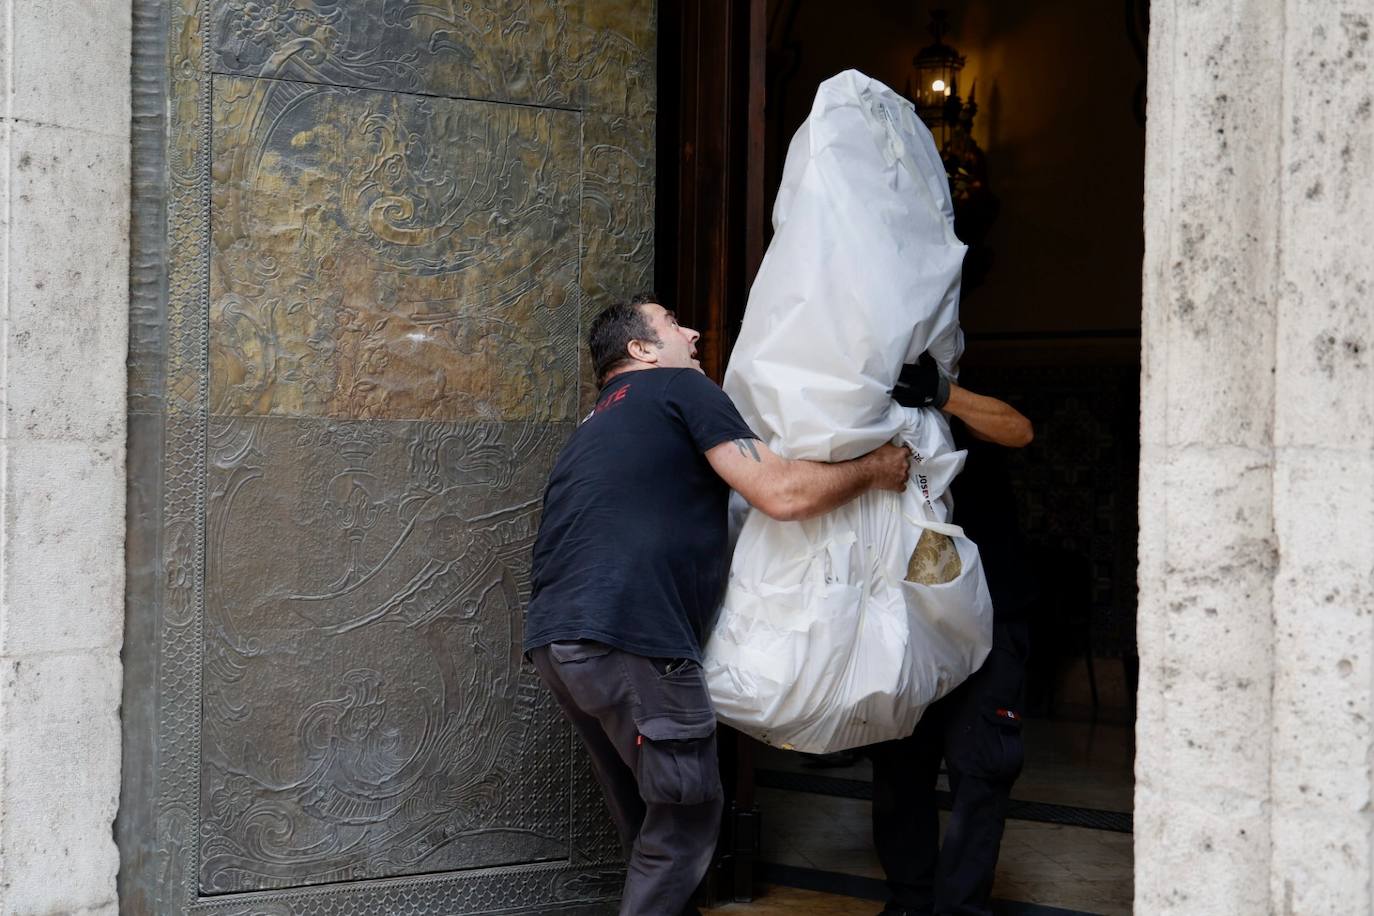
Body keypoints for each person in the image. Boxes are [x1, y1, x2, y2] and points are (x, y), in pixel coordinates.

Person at [524, 293, 913, 916]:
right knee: (684, 823)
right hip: (636, 639)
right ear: (642, 349)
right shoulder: (679, 388)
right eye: (674, 324)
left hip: (560, 645)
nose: (695, 332)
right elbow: (780, 492)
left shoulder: (598, 422)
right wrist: (875, 469)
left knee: (651, 824)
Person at [870, 355, 1036, 916]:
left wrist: (944, 392)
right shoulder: (868, 395)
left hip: (991, 614)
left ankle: (960, 908)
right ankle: (909, 903)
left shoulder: (955, 389)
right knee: (897, 768)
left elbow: (1021, 430)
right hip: (907, 616)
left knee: (981, 770)